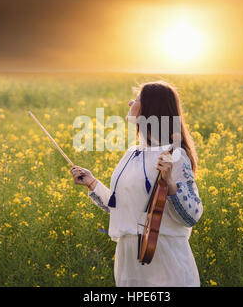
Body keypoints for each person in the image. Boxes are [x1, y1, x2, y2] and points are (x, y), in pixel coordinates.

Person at [70, 81, 203, 287]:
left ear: (150, 109)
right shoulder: (131, 153)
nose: (131, 101)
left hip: (164, 261)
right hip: (129, 262)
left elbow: (191, 215)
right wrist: (92, 183)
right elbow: (120, 206)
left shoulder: (174, 155)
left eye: (138, 98)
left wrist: (169, 183)